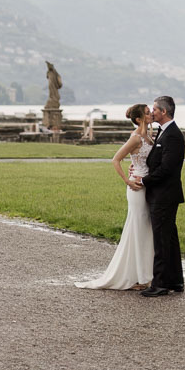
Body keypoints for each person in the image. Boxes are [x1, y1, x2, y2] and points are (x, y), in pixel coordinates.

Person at [75, 103, 155, 290]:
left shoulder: (148, 136)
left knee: (145, 230)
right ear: (138, 119)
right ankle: (137, 278)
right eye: (147, 113)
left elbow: (142, 160)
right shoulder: (135, 138)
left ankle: (144, 275)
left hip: (147, 186)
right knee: (137, 230)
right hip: (136, 188)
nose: (151, 114)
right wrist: (127, 180)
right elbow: (116, 159)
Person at [135, 95, 185, 297]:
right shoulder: (164, 132)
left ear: (163, 112)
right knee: (170, 239)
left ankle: (161, 284)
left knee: (162, 240)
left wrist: (144, 181)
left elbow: (166, 168)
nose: (152, 112)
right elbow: (156, 160)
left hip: (165, 195)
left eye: (154, 109)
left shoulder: (172, 135)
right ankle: (175, 281)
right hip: (164, 194)